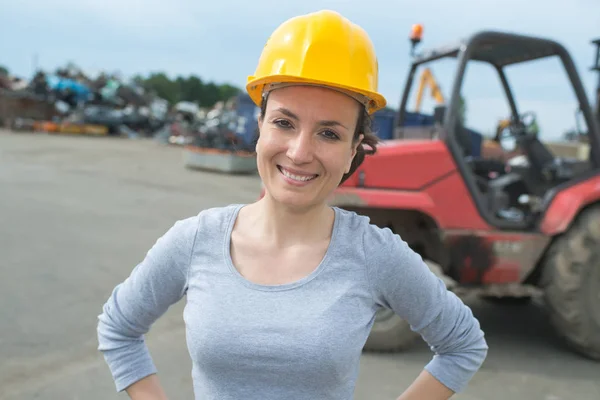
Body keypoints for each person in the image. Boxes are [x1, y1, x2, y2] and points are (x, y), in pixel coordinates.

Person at [97, 9, 488, 400]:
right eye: (284, 123)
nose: (300, 152)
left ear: (353, 150)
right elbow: (119, 327)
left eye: (329, 133)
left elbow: (463, 344)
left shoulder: (373, 253)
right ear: (260, 126)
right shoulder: (197, 239)